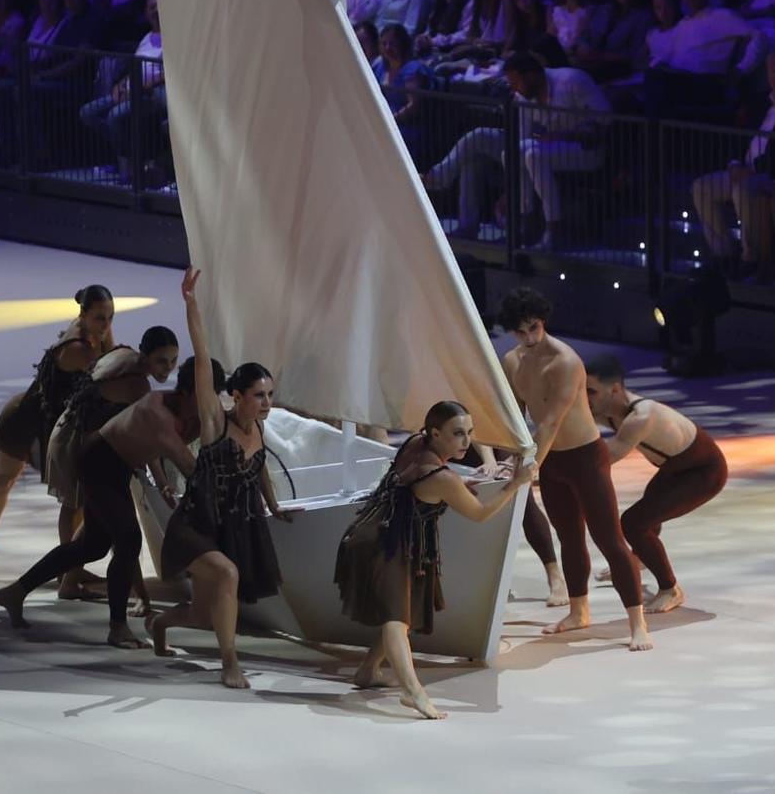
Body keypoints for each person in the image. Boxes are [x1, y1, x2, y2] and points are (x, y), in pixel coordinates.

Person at [0, 309, 212, 650]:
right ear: (145, 354)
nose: (166, 369)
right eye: (161, 361)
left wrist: (161, 480)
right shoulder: (141, 388)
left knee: (92, 544)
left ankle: (16, 590)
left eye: (172, 362)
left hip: (106, 456)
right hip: (94, 457)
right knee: (127, 539)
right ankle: (117, 627)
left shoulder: (131, 366)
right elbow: (170, 449)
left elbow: (146, 436)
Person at [336, 401, 538, 719]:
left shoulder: (417, 444)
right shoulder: (440, 475)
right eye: (458, 434)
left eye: (470, 432)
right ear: (435, 433)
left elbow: (416, 485)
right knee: (396, 619)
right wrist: (515, 483)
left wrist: (459, 485)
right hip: (384, 544)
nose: (467, 441)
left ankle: (368, 670)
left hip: (385, 535)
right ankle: (412, 692)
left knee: (402, 609)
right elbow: (480, 513)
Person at [148, 270, 293, 689]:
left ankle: (160, 624)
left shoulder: (258, 430)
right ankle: (230, 663)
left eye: (269, 395)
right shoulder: (216, 423)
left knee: (199, 613)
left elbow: (259, 466)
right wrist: (192, 304)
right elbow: (202, 353)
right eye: (259, 396)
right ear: (237, 396)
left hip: (229, 528)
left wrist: (274, 505)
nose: (267, 403)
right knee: (228, 576)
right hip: (194, 525)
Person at [497, 287, 653, 650]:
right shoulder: (512, 361)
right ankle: (579, 611)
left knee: (609, 538)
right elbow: (516, 414)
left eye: (533, 328)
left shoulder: (565, 362)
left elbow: (550, 421)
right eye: (520, 332)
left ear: (543, 322)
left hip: (584, 456)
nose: (529, 337)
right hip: (553, 461)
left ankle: (637, 622)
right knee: (568, 537)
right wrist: (514, 456)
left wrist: (532, 461)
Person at [0, 284, 115, 577]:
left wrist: (105, 331)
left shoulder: (91, 330)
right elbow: (110, 369)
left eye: (111, 317)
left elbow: (109, 352)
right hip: (27, 418)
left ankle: (70, 568)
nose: (106, 324)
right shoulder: (78, 349)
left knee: (77, 497)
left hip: (58, 422)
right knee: (3, 480)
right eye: (100, 318)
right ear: (83, 315)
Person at [585, 353, 729, 614]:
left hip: (704, 472)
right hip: (674, 468)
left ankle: (670, 588)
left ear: (615, 389)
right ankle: (641, 558)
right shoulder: (607, 409)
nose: (586, 398)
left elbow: (603, 461)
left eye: (591, 392)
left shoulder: (641, 416)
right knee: (646, 517)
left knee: (634, 523)